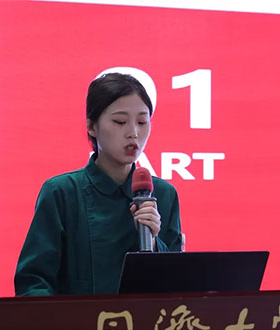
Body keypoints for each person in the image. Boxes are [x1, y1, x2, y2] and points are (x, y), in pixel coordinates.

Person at [14, 73, 183, 296]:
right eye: (120, 122)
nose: (133, 133)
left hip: (144, 319)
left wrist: (153, 243)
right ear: (92, 127)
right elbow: (33, 283)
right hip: (78, 319)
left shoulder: (163, 194)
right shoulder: (62, 192)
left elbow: (180, 286)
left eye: (142, 122)